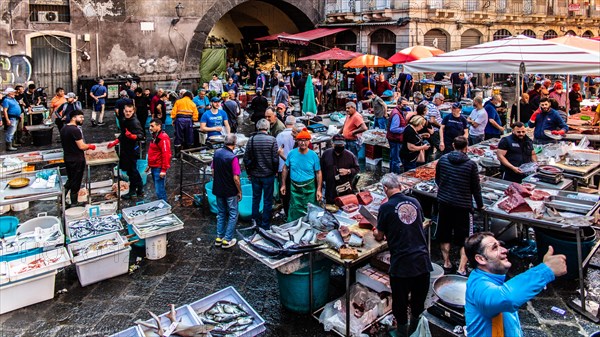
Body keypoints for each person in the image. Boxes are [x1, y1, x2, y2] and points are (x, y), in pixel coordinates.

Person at [464, 232, 567, 337]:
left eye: (500, 245)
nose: (505, 250)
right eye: (495, 248)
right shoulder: (478, 285)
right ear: (481, 259)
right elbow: (506, 298)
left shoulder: (495, 278)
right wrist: (546, 270)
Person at [374, 173, 432, 337]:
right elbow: (418, 224)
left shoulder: (385, 207)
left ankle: (402, 333)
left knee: (400, 304)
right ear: (399, 186)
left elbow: (379, 235)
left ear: (385, 189)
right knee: (418, 302)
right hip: (422, 261)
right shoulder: (414, 201)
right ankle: (415, 331)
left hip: (402, 264)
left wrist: (377, 231)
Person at [435, 136, 483, 276]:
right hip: (463, 206)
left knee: (444, 234)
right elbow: (476, 188)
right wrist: (480, 205)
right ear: (466, 147)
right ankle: (462, 268)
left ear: (453, 145)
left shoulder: (442, 159)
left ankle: (446, 263)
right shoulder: (471, 165)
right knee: (465, 238)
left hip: (444, 203)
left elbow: (437, 179)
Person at [280, 128, 322, 222]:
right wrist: (283, 184)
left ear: (309, 141)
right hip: (295, 188)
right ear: (297, 141)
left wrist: (319, 189)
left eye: (305, 140)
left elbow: (318, 172)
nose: (303, 143)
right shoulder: (291, 153)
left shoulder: (313, 155)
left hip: (310, 188)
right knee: (295, 209)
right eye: (301, 141)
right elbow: (285, 168)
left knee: (311, 210)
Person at [244, 119, 279, 229]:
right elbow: (275, 159)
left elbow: (246, 158)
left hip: (255, 174)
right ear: (267, 128)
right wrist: (275, 171)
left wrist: (249, 172)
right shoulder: (272, 140)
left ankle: (255, 221)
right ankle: (265, 224)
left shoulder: (252, 140)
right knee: (268, 200)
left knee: (256, 198)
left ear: (258, 127)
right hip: (268, 175)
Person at [107, 104, 145, 199]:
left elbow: (141, 135)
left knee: (132, 171)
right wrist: (116, 141)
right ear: (124, 111)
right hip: (125, 149)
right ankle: (139, 189)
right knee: (130, 171)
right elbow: (123, 134)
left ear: (133, 111)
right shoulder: (124, 120)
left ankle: (134, 191)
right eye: (126, 111)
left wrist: (133, 136)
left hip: (132, 150)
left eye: (130, 111)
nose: (128, 113)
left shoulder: (135, 122)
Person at [60, 110, 96, 207]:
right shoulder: (75, 130)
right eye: (80, 117)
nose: (82, 119)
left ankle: (62, 199)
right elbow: (81, 146)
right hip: (76, 159)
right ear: (74, 118)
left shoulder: (64, 128)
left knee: (71, 179)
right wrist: (90, 146)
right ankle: (74, 203)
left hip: (68, 158)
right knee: (75, 182)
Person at [212, 134, 242, 249]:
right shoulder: (232, 157)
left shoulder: (217, 153)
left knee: (221, 213)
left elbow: (213, 170)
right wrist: (239, 191)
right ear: (234, 145)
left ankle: (219, 237)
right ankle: (228, 239)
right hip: (230, 190)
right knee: (233, 213)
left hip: (218, 188)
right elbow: (236, 178)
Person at [320, 134, 360, 205]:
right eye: (337, 145)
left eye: (341, 145)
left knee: (345, 207)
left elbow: (357, 168)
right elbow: (321, 170)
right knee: (330, 208)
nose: (339, 147)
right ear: (332, 144)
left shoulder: (350, 156)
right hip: (330, 189)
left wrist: (348, 171)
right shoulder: (326, 154)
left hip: (345, 189)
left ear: (344, 144)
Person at [276, 116, 296, 216]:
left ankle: (287, 213)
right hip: (295, 169)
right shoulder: (297, 135)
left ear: (285, 123)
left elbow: (276, 152)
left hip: (282, 167)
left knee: (285, 192)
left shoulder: (280, 135)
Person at [147, 118, 172, 201]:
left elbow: (166, 154)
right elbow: (153, 152)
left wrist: (163, 170)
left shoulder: (163, 138)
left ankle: (165, 207)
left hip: (159, 167)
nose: (150, 128)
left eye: (152, 126)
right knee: (158, 189)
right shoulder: (155, 136)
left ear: (159, 126)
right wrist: (149, 165)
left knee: (159, 191)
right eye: (150, 126)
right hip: (154, 166)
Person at [386, 104, 408, 174]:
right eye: (404, 104)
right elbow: (393, 129)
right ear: (399, 104)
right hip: (395, 139)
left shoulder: (398, 112)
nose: (406, 105)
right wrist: (405, 129)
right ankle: (395, 176)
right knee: (396, 159)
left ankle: (392, 174)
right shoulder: (396, 114)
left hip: (394, 139)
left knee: (393, 158)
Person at [426, 93, 444, 159]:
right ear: (436, 99)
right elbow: (432, 121)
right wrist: (440, 126)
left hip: (431, 131)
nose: (442, 102)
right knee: (440, 148)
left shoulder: (429, 105)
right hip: (435, 131)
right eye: (441, 100)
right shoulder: (433, 107)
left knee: (430, 148)